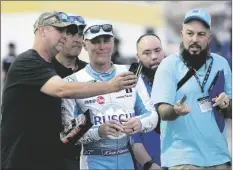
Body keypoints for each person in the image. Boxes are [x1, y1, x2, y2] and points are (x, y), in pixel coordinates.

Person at [1, 11, 137, 170]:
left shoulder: (67, 69)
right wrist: (111, 86)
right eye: (60, 30)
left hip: (57, 159)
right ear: (42, 30)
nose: (66, 36)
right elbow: (61, 89)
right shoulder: (27, 62)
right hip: (22, 160)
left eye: (72, 32)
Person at [61, 20, 159, 170]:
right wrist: (99, 131)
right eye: (95, 41)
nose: (102, 46)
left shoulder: (129, 75)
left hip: (126, 158)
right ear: (84, 45)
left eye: (106, 40)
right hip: (93, 161)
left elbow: (152, 115)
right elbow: (68, 134)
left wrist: (139, 123)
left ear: (113, 42)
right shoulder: (72, 82)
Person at [151, 8, 232, 169]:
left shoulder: (221, 63)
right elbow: (163, 111)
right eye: (190, 33)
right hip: (183, 158)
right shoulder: (168, 66)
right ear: (182, 34)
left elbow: (230, 112)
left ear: (209, 38)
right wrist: (175, 110)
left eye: (201, 34)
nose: (194, 39)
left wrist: (227, 104)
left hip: (219, 157)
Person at [52, 14, 87, 170]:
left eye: (80, 34)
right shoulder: (44, 69)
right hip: (50, 155)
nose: (78, 39)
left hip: (85, 154)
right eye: (72, 33)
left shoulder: (89, 71)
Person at [132, 33, 165, 170]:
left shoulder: (176, 82)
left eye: (157, 51)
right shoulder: (132, 88)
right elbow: (132, 138)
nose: (154, 57)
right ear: (138, 57)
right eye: (147, 53)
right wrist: (149, 165)